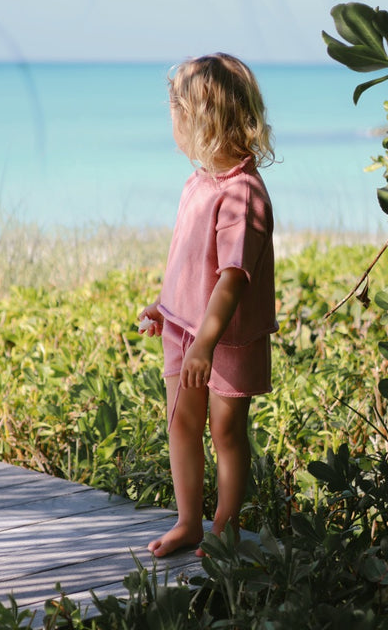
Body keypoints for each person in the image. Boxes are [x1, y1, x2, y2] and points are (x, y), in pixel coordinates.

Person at [138, 53, 278, 558]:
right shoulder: (196, 184)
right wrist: (166, 306)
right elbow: (189, 262)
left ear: (203, 121)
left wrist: (206, 342)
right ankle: (188, 521)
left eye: (177, 112)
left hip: (228, 338)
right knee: (181, 421)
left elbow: (232, 279)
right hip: (185, 333)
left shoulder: (243, 195)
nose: (173, 125)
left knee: (225, 430)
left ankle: (225, 524)